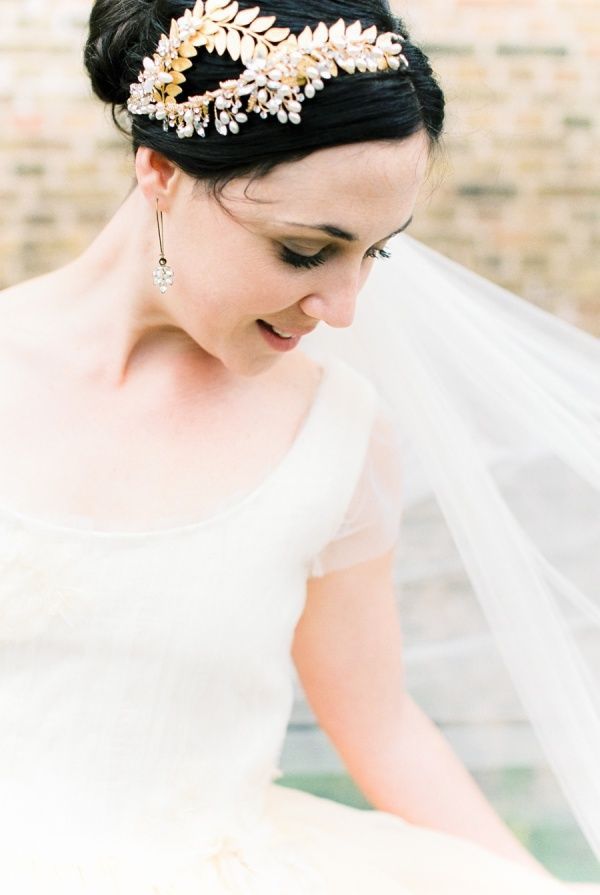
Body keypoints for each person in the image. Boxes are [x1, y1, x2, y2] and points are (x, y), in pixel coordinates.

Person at [0, 0, 598, 891]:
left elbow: (381, 722)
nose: (344, 307)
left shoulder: (337, 433)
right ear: (160, 170)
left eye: (374, 256)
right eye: (303, 250)